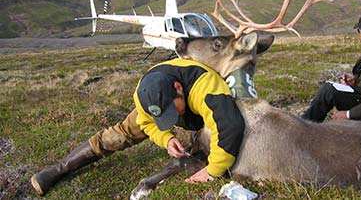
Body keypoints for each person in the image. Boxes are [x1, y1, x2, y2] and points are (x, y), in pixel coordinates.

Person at [31, 58, 245, 195]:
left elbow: (230, 126)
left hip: (201, 115)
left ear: (178, 88)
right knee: (118, 135)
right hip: (166, 104)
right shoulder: (144, 95)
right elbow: (148, 123)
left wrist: (214, 171)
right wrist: (167, 138)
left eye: (172, 111)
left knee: (211, 139)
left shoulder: (206, 86)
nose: (171, 118)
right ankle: (60, 168)